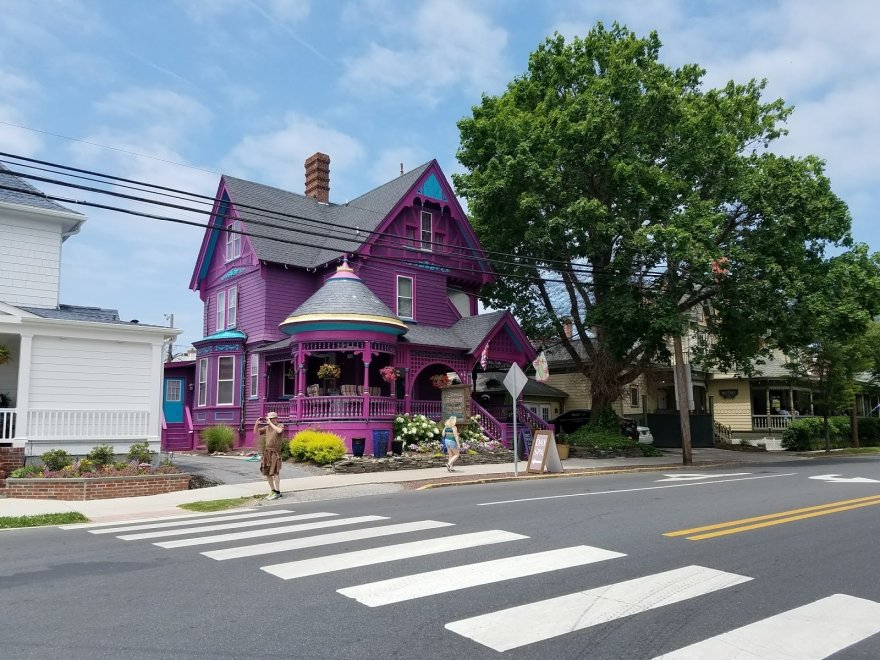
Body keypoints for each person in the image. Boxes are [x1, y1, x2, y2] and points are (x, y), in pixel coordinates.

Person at [254, 411, 284, 500]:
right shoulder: (267, 428)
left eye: (272, 419)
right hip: (267, 452)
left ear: (276, 419)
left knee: (275, 472)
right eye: (269, 419)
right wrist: (256, 424)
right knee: (267, 472)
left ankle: (278, 492)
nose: (270, 420)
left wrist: (270, 423)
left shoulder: (280, 426)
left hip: (275, 453)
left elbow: (279, 431)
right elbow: (255, 432)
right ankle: (273, 490)